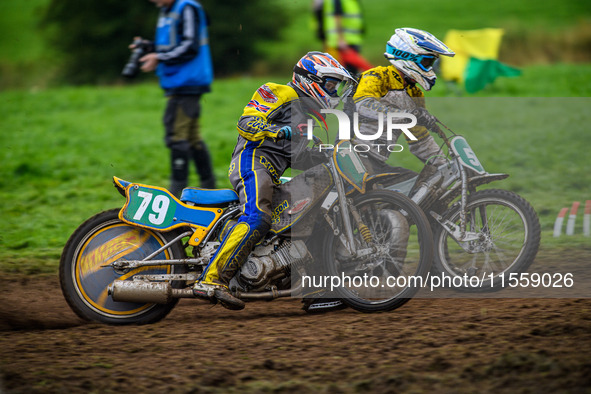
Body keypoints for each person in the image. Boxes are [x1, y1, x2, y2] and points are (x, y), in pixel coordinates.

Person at [192, 52, 357, 310]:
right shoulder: (278, 91)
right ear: (310, 79)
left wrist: (330, 154)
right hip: (252, 161)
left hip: (273, 173)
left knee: (315, 213)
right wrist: (275, 130)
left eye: (336, 86)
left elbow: (299, 157)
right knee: (258, 216)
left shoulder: (308, 118)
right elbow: (246, 122)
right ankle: (211, 280)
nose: (334, 91)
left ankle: (318, 288)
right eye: (330, 84)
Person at [136, 0, 216, 197]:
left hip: (187, 81)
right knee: (192, 138)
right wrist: (150, 48)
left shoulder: (186, 8)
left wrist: (159, 58)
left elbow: (190, 46)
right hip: (180, 81)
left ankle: (176, 190)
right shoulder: (168, 9)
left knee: (176, 135)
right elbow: (172, 44)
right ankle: (209, 186)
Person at [352, 28, 455, 169]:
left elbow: (420, 140)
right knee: (395, 190)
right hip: (350, 156)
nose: (430, 69)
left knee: (417, 186)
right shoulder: (377, 76)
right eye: (427, 63)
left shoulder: (415, 93)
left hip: (376, 163)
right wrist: (408, 115)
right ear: (407, 56)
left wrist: (446, 167)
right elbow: (363, 105)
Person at [321, 0, 373, 74]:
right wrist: (341, 39)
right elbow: (337, 17)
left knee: (351, 70)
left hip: (351, 39)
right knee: (348, 70)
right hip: (344, 41)